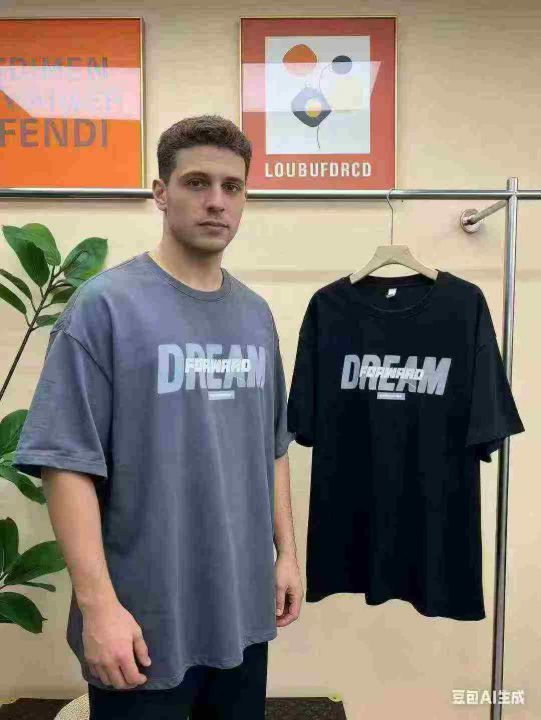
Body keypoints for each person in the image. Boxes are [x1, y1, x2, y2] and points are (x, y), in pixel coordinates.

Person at [13, 114, 304, 719]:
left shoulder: (255, 315)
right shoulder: (105, 307)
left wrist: (286, 555)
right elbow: (65, 466)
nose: (217, 201)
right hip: (142, 625)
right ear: (161, 192)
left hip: (242, 614)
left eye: (232, 186)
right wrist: (99, 608)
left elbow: (272, 446)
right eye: (197, 183)